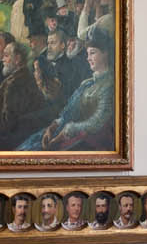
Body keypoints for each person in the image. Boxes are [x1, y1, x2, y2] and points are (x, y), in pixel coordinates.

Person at [23, 23, 115, 151]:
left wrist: (62, 134)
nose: (88, 58)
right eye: (87, 54)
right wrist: (53, 127)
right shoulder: (86, 83)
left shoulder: (109, 85)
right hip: (59, 131)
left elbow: (96, 122)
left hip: (76, 140)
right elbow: (68, 112)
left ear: (105, 53)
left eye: (92, 53)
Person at [0, 37, 46, 132]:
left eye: (6, 56)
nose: (2, 59)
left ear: (17, 59)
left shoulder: (13, 85)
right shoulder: (27, 77)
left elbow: (7, 124)